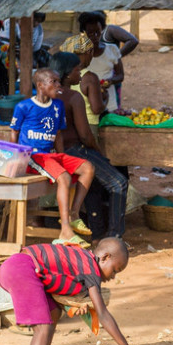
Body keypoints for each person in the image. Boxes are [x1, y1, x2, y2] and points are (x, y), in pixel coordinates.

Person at [0, 237, 135, 345]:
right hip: (21, 270)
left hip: (18, 267)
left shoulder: (83, 258)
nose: (113, 276)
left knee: (54, 312)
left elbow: (59, 282)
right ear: (105, 257)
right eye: (115, 270)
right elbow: (103, 313)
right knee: (43, 328)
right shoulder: (91, 269)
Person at [10, 68, 96, 247]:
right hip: (32, 156)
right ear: (41, 85)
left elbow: (58, 133)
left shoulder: (57, 106)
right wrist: (16, 159)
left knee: (88, 168)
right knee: (63, 177)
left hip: (50, 156)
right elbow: (14, 133)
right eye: (54, 82)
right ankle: (65, 230)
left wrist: (61, 154)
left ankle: (73, 214)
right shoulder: (24, 107)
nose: (59, 86)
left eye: (59, 81)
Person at [52, 53, 129, 238]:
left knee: (95, 183)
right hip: (75, 151)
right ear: (68, 74)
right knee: (118, 183)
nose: (80, 73)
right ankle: (114, 235)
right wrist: (97, 151)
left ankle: (97, 231)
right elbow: (85, 135)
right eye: (77, 69)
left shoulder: (49, 96)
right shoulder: (73, 97)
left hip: (55, 154)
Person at [77, 12, 124, 111]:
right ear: (83, 31)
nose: (94, 36)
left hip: (109, 99)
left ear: (102, 30)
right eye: (90, 33)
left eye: (97, 32)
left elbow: (120, 75)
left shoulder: (112, 49)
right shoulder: (79, 53)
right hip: (86, 100)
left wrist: (110, 81)